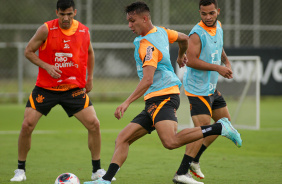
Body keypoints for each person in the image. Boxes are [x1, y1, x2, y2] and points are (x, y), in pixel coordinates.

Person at [92, 2, 241, 184]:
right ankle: (105, 180)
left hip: (163, 96)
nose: (129, 25)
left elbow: (147, 80)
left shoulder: (147, 46)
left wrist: (126, 102)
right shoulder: (161, 31)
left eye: (132, 21)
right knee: (123, 138)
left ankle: (220, 128)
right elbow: (184, 38)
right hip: (155, 99)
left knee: (171, 142)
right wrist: (180, 55)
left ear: (145, 18)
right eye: (128, 21)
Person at [10, 0, 107, 182]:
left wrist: (90, 78)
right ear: (57, 13)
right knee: (26, 125)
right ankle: (20, 170)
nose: (65, 18)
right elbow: (29, 51)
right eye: (62, 14)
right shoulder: (46, 29)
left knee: (94, 124)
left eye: (69, 14)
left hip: (73, 89)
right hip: (46, 88)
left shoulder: (84, 30)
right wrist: (46, 66)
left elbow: (90, 52)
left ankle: (97, 170)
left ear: (75, 12)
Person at [174, 0, 235, 183]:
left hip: (210, 87)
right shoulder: (196, 34)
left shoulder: (219, 27)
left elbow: (219, 46)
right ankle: (181, 173)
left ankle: (195, 159)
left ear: (218, 11)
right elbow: (191, 61)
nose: (207, 17)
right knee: (201, 130)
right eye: (203, 14)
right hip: (197, 89)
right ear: (199, 12)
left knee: (224, 123)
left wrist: (226, 61)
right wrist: (218, 69)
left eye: (211, 13)